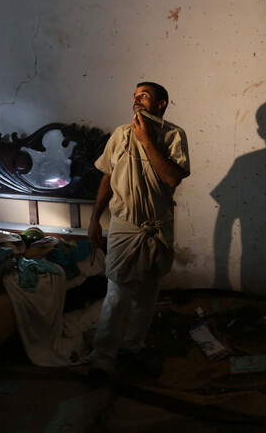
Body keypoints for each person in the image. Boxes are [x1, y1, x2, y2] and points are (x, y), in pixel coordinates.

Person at [87, 81, 190, 378]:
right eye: (134, 96)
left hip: (157, 225)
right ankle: (102, 359)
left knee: (148, 293)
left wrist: (147, 141)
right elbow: (107, 177)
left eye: (143, 96)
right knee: (117, 293)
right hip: (125, 225)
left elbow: (172, 178)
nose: (136, 100)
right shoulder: (120, 135)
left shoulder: (173, 135)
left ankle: (134, 347)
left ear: (161, 104)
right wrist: (95, 219)